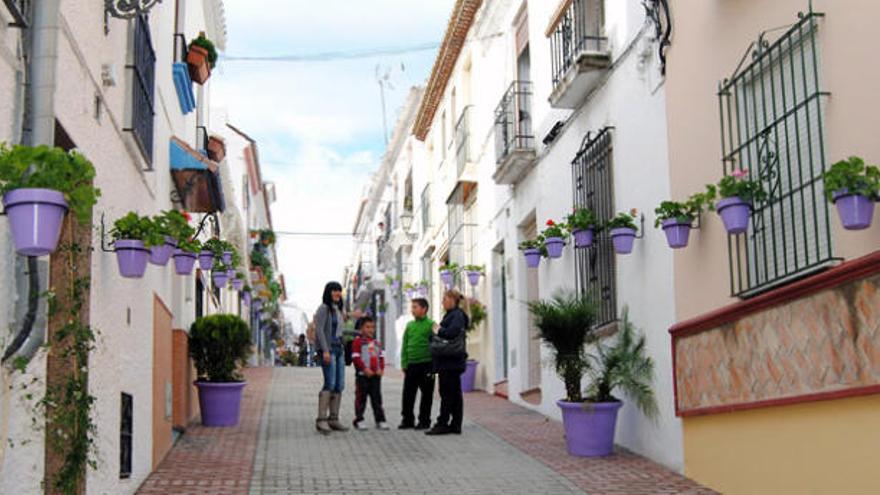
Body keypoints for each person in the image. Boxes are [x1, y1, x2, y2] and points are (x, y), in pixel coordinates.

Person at [426, 290, 469, 436]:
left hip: (450, 361)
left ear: (452, 300)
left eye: (445, 299)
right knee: (454, 394)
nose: (442, 302)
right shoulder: (454, 314)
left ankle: (442, 423)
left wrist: (437, 330)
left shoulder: (456, 315)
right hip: (452, 361)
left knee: (447, 393)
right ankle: (455, 424)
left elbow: (451, 333)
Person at [313, 281, 349, 434]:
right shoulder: (324, 309)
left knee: (339, 384)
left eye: (339, 291)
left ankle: (333, 419)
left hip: (339, 350)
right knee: (330, 382)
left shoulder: (338, 310)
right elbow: (319, 330)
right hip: (329, 350)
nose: (337, 293)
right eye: (334, 291)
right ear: (328, 292)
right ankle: (321, 420)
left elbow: (340, 332)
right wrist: (325, 350)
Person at [399, 298, 435, 430]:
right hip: (411, 365)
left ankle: (424, 421)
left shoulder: (431, 324)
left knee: (426, 395)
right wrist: (404, 363)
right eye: (412, 307)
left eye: (415, 307)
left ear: (424, 309)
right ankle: (407, 420)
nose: (412, 310)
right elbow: (404, 344)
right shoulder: (409, 325)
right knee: (408, 394)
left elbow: (438, 343)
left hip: (426, 365)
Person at [351, 317, 389, 431]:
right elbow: (356, 358)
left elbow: (380, 358)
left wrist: (381, 369)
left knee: (377, 399)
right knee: (361, 398)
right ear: (361, 328)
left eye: (372, 327)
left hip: (375, 376)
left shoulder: (376, 343)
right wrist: (364, 369)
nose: (370, 330)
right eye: (367, 327)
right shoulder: (358, 342)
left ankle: (380, 420)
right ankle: (359, 419)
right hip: (363, 376)